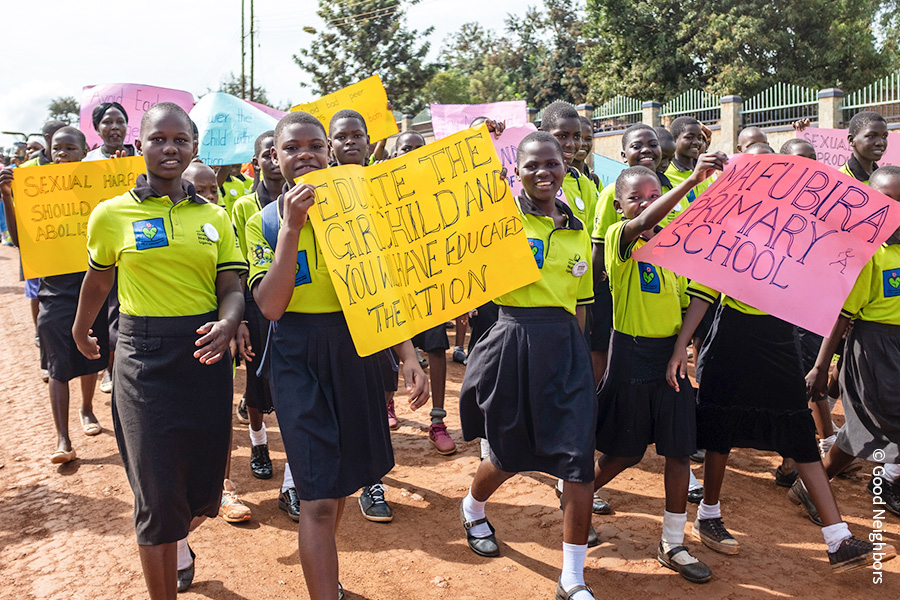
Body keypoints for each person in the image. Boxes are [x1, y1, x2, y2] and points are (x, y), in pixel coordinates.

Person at [245, 110, 427, 600]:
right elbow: (270, 305)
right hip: (296, 356)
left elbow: (384, 286)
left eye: (314, 146)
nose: (305, 155)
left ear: (328, 151)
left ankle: (329, 580)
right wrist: (291, 227)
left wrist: (407, 353)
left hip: (359, 346)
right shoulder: (261, 221)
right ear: (275, 158)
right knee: (317, 499)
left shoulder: (363, 210)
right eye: (292, 148)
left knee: (342, 482)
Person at [73, 102, 246, 597]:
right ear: (139, 145)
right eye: (158, 139)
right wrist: (82, 329)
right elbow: (98, 278)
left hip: (205, 356)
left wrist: (229, 321)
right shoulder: (110, 214)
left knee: (198, 492)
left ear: (193, 145)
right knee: (156, 494)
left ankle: (181, 537)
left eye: (180, 140)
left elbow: (231, 285)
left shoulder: (214, 215)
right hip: (143, 359)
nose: (169, 148)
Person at [667, 245, 894, 573]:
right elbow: (703, 292)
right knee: (720, 427)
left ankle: (838, 539)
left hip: (780, 338)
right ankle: (708, 515)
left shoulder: (802, 235)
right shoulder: (733, 233)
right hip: (732, 336)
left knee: (799, 429)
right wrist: (681, 346)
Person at [459, 131, 596, 600]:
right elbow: (467, 231)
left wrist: (579, 359)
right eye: (532, 165)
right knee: (509, 453)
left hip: (566, 348)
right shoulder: (503, 219)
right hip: (514, 340)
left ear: (565, 165)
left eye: (552, 163)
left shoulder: (579, 229)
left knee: (578, 462)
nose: (543, 172)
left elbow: (580, 304)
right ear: (516, 171)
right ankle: (474, 507)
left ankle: (572, 578)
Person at [595, 152, 724, 583]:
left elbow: (701, 296)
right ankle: (576, 492)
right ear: (619, 206)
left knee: (678, 449)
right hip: (631, 355)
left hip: (671, 358)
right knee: (627, 451)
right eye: (636, 198)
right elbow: (639, 222)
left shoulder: (677, 241)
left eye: (653, 195)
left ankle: (673, 542)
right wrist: (689, 184)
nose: (646, 204)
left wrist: (680, 350)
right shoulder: (620, 239)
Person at [0, 126, 109, 464]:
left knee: (92, 356)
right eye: (57, 149)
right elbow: (21, 242)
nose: (62, 154)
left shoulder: (100, 190)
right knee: (58, 366)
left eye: (70, 148)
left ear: (84, 150)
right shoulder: (37, 194)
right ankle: (63, 439)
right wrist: (7, 195)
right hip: (55, 294)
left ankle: (88, 409)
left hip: (97, 292)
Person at [803, 165, 900, 518]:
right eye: (888, 200)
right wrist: (818, 367)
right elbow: (842, 317)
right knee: (869, 427)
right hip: (873, 349)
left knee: (869, 428)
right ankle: (815, 484)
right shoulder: (869, 255)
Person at [229, 130, 301, 521]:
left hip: (297, 306)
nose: (275, 161)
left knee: (292, 399)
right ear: (259, 160)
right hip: (259, 304)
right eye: (267, 155)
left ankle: (291, 481)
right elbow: (240, 266)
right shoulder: (245, 208)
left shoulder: (310, 199)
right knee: (256, 389)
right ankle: (258, 441)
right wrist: (240, 317)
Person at [182, 160, 253, 525]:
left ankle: (223, 487)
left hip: (218, 335)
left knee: (218, 414)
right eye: (201, 189)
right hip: (174, 338)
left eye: (214, 189)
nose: (210, 195)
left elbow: (234, 284)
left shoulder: (222, 223)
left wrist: (235, 324)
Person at [385, 128, 459, 457]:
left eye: (418, 147)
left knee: (437, 347)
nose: (411, 152)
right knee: (386, 350)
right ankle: (387, 405)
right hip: (390, 287)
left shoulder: (437, 190)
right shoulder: (379, 191)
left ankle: (438, 421)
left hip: (430, 283)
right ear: (393, 154)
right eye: (405, 148)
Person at [84, 102, 138, 395]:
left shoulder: (139, 158)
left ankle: (114, 366)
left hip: (133, 248)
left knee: (121, 309)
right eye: (108, 122)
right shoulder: (87, 162)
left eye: (120, 121)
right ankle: (102, 364)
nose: (114, 127)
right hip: (100, 250)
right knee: (100, 308)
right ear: (97, 128)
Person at [540, 102, 600, 236]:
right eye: (562, 136)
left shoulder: (583, 183)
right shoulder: (527, 179)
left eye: (576, 137)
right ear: (543, 134)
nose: (571, 144)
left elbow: (588, 236)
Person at [663, 117, 713, 225]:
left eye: (699, 138)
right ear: (674, 140)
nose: (696, 142)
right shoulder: (665, 174)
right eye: (689, 137)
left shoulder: (709, 172)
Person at [841, 111, 887, 184]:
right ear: (851, 140)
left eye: (884, 136)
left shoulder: (886, 179)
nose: (880, 142)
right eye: (871, 136)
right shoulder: (840, 180)